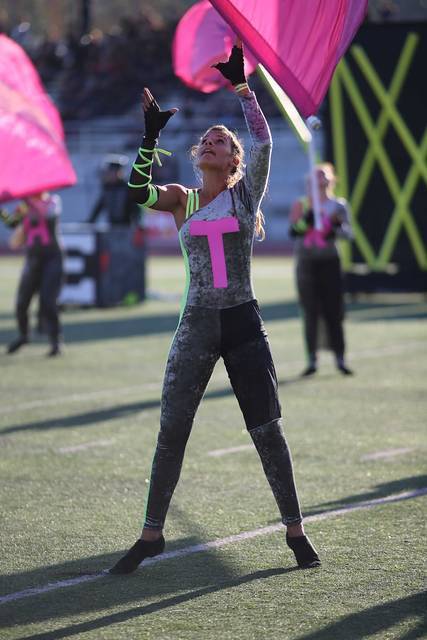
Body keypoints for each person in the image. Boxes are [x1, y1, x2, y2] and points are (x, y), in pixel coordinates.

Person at [110, 43, 320, 575]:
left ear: (233, 160)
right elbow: (136, 192)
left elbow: (266, 140)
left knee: (267, 429)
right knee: (172, 428)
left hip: (243, 322)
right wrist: (150, 137)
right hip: (197, 324)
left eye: (220, 141)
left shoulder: (244, 195)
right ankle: (152, 533)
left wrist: (243, 88)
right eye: (206, 139)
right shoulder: (182, 196)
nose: (209, 143)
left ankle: (294, 529)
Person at [289, 163, 354, 377]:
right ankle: (312, 359)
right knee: (310, 311)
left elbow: (348, 234)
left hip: (330, 262)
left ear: (331, 179)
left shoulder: (338, 205)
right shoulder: (302, 204)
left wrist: (335, 229)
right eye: (316, 175)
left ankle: (340, 357)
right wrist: (306, 222)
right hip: (307, 263)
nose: (320, 178)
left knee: (334, 310)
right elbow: (294, 231)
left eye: (324, 174)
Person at [1, 191, 64, 356]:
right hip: (33, 259)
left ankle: (55, 342)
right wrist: (2, 212)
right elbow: (13, 224)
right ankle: (24, 336)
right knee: (21, 303)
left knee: (48, 302)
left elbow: (45, 214)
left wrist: (28, 201)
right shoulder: (25, 205)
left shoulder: (53, 201)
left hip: (52, 259)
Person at [87, 155, 142, 226]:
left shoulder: (127, 188)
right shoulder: (107, 188)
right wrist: (90, 221)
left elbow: (136, 209)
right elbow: (99, 207)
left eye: (114, 172)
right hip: (112, 226)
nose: (110, 175)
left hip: (127, 226)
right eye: (109, 172)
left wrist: (137, 224)